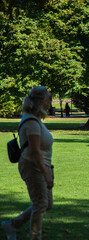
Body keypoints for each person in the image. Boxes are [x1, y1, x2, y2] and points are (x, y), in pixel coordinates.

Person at [1, 86, 54, 240]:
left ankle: (12, 224)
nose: (50, 102)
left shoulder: (35, 119)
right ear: (40, 100)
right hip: (33, 166)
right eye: (49, 98)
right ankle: (35, 237)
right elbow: (35, 151)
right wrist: (46, 174)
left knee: (47, 203)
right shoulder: (31, 121)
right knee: (40, 203)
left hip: (42, 165)